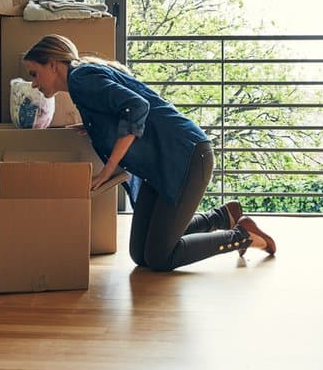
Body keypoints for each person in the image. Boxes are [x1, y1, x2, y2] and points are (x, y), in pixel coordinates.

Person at [23, 34, 276, 271]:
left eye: (35, 73)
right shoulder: (82, 80)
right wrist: (94, 126)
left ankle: (243, 236)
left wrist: (109, 169)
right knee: (140, 254)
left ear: (53, 65)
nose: (34, 83)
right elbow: (119, 107)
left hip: (185, 157)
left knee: (159, 257)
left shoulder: (81, 79)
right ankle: (222, 216)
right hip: (161, 162)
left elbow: (137, 106)